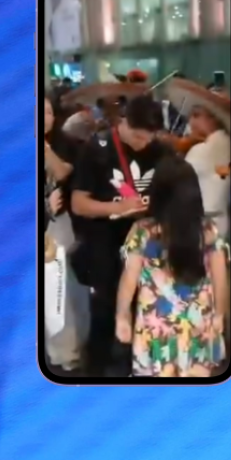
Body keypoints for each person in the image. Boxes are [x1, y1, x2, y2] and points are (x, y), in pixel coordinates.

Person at [71, 95, 170, 377]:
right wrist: (117, 207)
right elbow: (79, 203)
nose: (143, 144)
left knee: (144, 306)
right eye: (138, 136)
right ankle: (99, 370)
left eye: (149, 138)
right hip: (105, 243)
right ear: (124, 122)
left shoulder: (159, 150)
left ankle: (136, 367)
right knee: (105, 308)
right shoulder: (97, 148)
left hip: (146, 244)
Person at [116, 156, 228, 377]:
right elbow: (220, 278)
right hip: (198, 322)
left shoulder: (142, 231)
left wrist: (122, 316)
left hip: (155, 329)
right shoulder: (208, 231)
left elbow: (129, 279)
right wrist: (220, 315)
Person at [43, 95, 89, 373]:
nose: (44, 116)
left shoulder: (64, 144)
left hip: (58, 227)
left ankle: (70, 351)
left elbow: (62, 172)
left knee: (63, 290)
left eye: (48, 112)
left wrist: (44, 146)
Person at [182, 104, 231, 237]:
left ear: (214, 118)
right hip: (222, 222)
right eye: (190, 117)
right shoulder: (227, 142)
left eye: (197, 115)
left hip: (203, 227)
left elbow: (175, 178)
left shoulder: (202, 150)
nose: (191, 122)